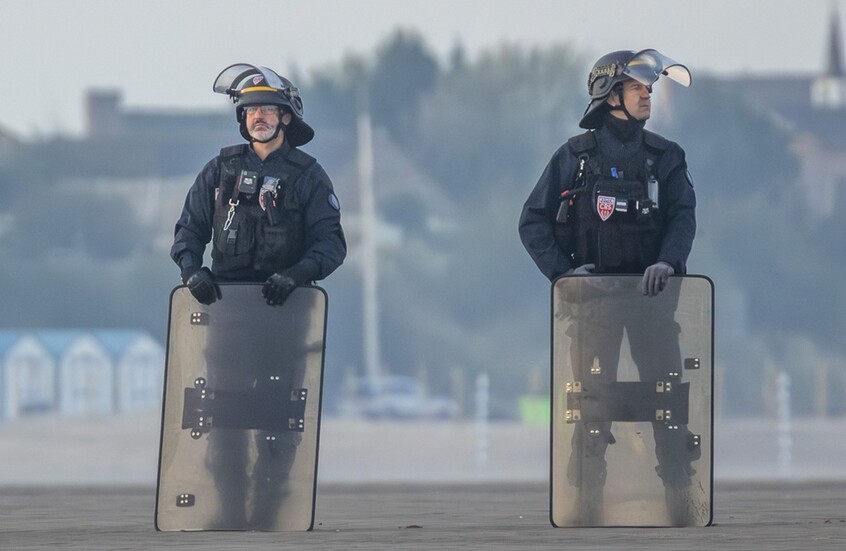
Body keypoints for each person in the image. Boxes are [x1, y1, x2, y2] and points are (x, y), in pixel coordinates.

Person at [518, 50, 700, 525]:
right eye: (637, 87)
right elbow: (532, 221)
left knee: (667, 396)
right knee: (590, 402)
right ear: (609, 93)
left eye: (649, 88)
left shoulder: (666, 156)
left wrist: (668, 261)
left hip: (652, 299)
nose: (647, 95)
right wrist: (564, 274)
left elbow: (682, 217)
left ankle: (680, 494)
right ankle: (586, 500)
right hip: (593, 302)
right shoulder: (574, 157)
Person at [170, 63, 346, 529]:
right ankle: (228, 511)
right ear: (242, 119)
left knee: (277, 416)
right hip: (227, 312)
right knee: (222, 417)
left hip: (284, 314)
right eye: (250, 111)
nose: (259, 117)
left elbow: (331, 245)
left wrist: (297, 275)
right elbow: (187, 232)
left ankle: (268, 512)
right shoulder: (219, 170)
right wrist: (192, 272)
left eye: (268, 109)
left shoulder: (309, 176)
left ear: (286, 117)